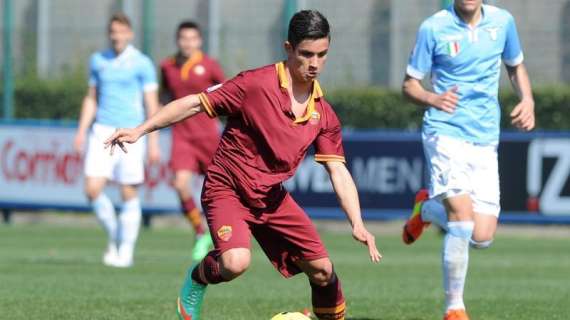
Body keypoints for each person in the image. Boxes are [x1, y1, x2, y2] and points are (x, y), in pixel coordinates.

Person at [105, 10, 381, 320]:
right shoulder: (254, 84)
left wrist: (357, 223)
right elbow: (195, 103)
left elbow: (338, 171)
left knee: (322, 271)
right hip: (227, 189)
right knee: (235, 263)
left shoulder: (324, 114)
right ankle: (198, 277)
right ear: (288, 49)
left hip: (270, 197)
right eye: (306, 54)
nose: (314, 63)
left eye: (322, 54)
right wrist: (141, 130)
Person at [401, 1, 534, 319]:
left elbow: (515, 66)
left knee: (482, 236)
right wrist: (433, 98)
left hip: (485, 137)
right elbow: (409, 85)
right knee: (461, 219)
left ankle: (427, 209)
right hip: (444, 133)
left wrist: (527, 99)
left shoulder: (503, 22)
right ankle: (454, 308)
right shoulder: (433, 27)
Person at [73, 13, 160, 268]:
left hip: (130, 132)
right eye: (113, 31)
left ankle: (126, 251)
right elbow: (91, 97)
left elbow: (151, 103)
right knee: (91, 190)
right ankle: (115, 235)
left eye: (121, 31)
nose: (116, 36)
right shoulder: (98, 60)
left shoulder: (142, 63)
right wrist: (81, 130)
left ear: (129, 34)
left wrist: (153, 141)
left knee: (128, 191)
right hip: (101, 131)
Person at [159, 21, 225, 261]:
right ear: (178, 40)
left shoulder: (209, 66)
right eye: (183, 38)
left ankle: (226, 234)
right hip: (182, 136)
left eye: (192, 39)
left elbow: (227, 93)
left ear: (199, 41)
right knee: (180, 184)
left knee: (221, 190)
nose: (187, 43)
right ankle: (200, 232)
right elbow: (163, 99)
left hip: (209, 137)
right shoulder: (167, 66)